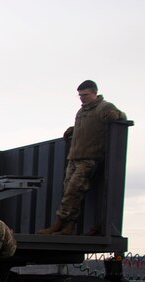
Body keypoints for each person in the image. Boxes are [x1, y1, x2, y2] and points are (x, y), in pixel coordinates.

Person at [39, 80, 126, 235]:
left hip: (89, 158)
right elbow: (89, 127)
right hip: (74, 157)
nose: (82, 98)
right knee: (69, 192)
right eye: (80, 95)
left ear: (94, 93)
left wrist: (117, 116)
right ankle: (68, 226)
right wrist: (73, 129)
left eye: (85, 95)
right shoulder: (82, 111)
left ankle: (60, 223)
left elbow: (120, 117)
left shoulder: (104, 107)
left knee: (73, 191)